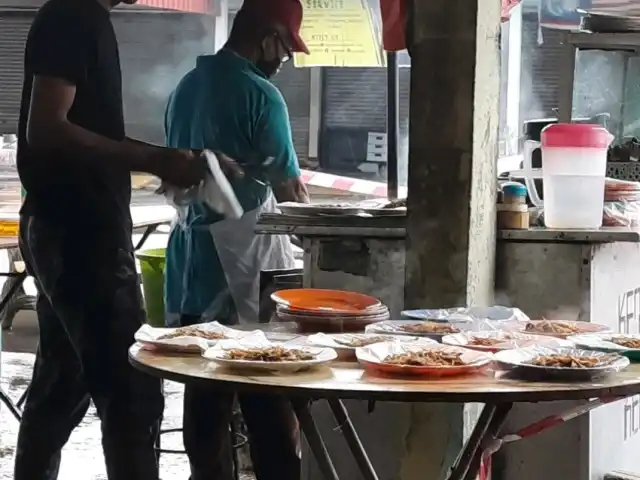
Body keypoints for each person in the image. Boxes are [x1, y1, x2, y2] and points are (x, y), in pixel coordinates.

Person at [13, 0, 212, 479]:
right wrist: (153, 159)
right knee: (132, 391)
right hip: (78, 233)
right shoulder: (71, 15)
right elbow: (45, 128)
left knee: (61, 386)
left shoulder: (85, 18)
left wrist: (156, 161)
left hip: (69, 226)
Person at [163, 0, 310, 479]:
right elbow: (290, 191)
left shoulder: (185, 87)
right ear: (268, 37)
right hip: (246, 266)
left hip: (191, 266)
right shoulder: (260, 95)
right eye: (285, 48)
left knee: (203, 396)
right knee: (265, 396)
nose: (283, 60)